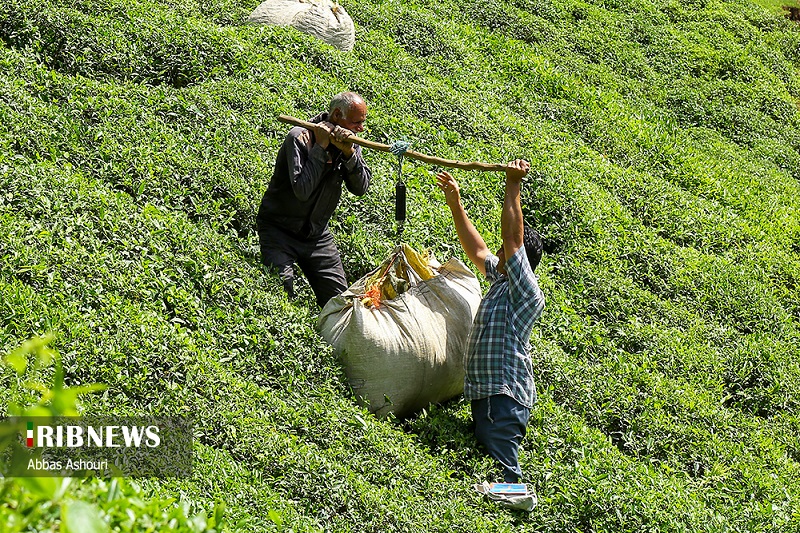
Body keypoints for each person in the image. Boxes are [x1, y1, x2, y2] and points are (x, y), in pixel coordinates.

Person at [435, 159, 545, 484]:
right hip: (490, 396)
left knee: (504, 474)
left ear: (522, 261)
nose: (500, 253)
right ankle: (507, 498)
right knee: (488, 466)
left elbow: (512, 238)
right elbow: (477, 249)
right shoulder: (502, 279)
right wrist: (456, 203)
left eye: (508, 253)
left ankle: (519, 499)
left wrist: (514, 184)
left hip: (504, 397)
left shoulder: (526, 292)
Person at [257, 92, 372, 308]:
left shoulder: (351, 143)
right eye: (357, 122)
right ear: (337, 114)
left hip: (317, 235)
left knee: (341, 305)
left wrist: (349, 155)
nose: (361, 129)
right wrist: (320, 147)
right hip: (279, 230)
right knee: (280, 294)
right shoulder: (299, 137)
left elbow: (361, 187)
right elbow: (302, 190)